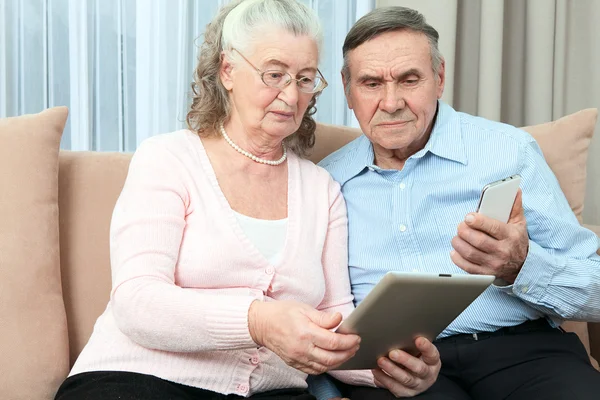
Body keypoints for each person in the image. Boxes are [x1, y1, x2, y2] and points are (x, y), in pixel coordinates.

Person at [54, 1, 441, 399]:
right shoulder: (168, 159)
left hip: (272, 392)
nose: (291, 96)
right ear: (228, 71)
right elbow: (137, 303)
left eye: (305, 79)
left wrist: (389, 367)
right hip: (138, 381)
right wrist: (256, 321)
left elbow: (336, 321)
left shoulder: (321, 189)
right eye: (274, 74)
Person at [308, 6, 600, 400]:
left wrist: (522, 265)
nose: (391, 102)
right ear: (347, 90)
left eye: (409, 79)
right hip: (401, 369)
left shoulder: (508, 151)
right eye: (371, 83)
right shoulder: (325, 182)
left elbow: (594, 290)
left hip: (523, 352)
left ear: (439, 77)